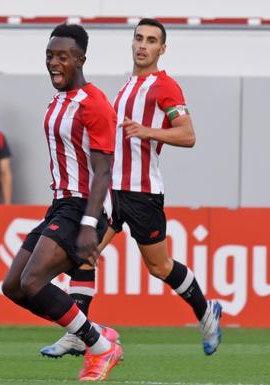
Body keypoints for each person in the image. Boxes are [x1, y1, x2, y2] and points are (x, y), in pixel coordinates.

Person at [40, 18, 223, 359]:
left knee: (160, 267)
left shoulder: (164, 87)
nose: (143, 45)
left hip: (142, 193)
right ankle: (80, 335)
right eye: (139, 38)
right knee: (84, 254)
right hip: (112, 192)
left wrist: (148, 131)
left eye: (151, 40)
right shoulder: (127, 87)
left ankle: (205, 310)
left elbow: (188, 135)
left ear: (161, 49)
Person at [2, 23, 123, 381]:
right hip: (59, 204)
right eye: (50, 56)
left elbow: (103, 171)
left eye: (63, 57)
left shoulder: (95, 104)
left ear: (81, 59)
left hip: (84, 205)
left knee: (34, 281)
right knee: (14, 287)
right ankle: (94, 332)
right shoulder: (58, 102)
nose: (55, 63)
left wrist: (89, 223)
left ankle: (100, 348)